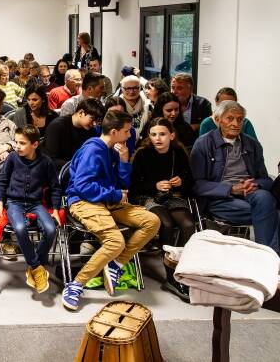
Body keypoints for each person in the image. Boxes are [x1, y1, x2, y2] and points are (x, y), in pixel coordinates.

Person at [61, 110, 160, 311]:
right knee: (115, 242)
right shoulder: (93, 150)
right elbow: (83, 186)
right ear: (114, 132)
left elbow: (123, 185)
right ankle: (76, 285)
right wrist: (114, 194)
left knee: (152, 221)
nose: (130, 135)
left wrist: (124, 161)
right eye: (127, 131)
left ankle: (116, 264)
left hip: (106, 200)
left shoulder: (112, 149)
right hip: (83, 201)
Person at [191, 100, 277, 252]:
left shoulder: (252, 144)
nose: (235, 124)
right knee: (271, 211)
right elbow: (197, 184)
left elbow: (265, 179)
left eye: (239, 119)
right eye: (230, 118)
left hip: (250, 193)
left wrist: (255, 184)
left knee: (264, 198)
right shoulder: (203, 144)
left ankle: (267, 255)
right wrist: (230, 189)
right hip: (220, 198)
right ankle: (270, 254)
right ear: (217, 120)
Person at [130, 117, 195, 301]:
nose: (158, 138)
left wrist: (181, 182)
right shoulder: (143, 154)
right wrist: (155, 185)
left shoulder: (179, 153)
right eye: (153, 134)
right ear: (149, 136)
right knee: (165, 223)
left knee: (188, 224)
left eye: (162, 134)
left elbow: (190, 182)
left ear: (171, 135)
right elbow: (134, 187)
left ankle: (184, 268)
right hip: (148, 197)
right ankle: (170, 275)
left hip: (173, 196)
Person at [0, 125, 61, 294]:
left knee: (51, 229)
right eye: (16, 142)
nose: (17, 146)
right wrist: (0, 203)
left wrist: (55, 209)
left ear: (35, 144)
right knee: (20, 228)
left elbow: (55, 187)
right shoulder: (12, 158)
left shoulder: (46, 162)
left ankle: (35, 266)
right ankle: (37, 267)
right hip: (13, 203)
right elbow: (2, 181)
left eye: (22, 143)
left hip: (35, 203)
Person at [43, 99, 104, 171]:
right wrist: (78, 165)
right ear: (81, 113)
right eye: (92, 119)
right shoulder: (57, 126)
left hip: (81, 169)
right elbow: (51, 160)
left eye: (96, 121)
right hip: (60, 171)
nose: (94, 124)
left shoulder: (91, 130)